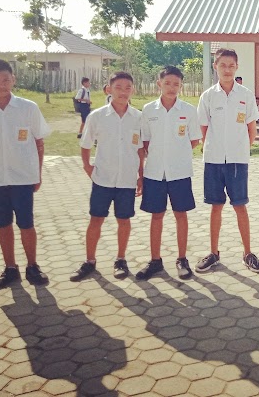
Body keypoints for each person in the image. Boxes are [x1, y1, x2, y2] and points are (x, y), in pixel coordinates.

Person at [0, 59, 50, 289]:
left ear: (13, 79)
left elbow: (39, 142)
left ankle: (33, 266)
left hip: (23, 177)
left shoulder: (28, 108)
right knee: (2, 224)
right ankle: (10, 268)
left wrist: (37, 174)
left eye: (5, 79)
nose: (1, 85)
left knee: (26, 223)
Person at [71, 71, 144, 281]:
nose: (123, 92)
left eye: (127, 88)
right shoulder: (97, 116)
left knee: (124, 220)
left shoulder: (138, 118)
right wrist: (87, 167)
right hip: (102, 178)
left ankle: (121, 259)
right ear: (108, 89)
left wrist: (141, 176)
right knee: (96, 219)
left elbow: (140, 149)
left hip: (127, 180)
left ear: (133, 90)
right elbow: (85, 145)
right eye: (118, 87)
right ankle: (90, 261)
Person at [195, 49, 259, 273]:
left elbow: (251, 128)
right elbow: (204, 129)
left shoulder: (245, 94)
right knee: (216, 207)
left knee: (240, 206)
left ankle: (248, 253)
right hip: (213, 160)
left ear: (236, 67)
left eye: (231, 65)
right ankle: (214, 253)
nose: (226, 69)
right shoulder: (208, 96)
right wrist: (215, 147)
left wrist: (240, 148)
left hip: (237, 160)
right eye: (222, 65)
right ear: (215, 66)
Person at [136, 66, 201, 281]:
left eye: (176, 84)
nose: (172, 88)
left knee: (181, 215)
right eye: (167, 83)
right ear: (159, 84)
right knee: (157, 216)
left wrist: (176, 155)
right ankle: (155, 260)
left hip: (180, 172)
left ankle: (182, 259)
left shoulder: (189, 111)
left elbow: (193, 140)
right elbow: (145, 141)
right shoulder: (148, 110)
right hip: (154, 172)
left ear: (181, 85)